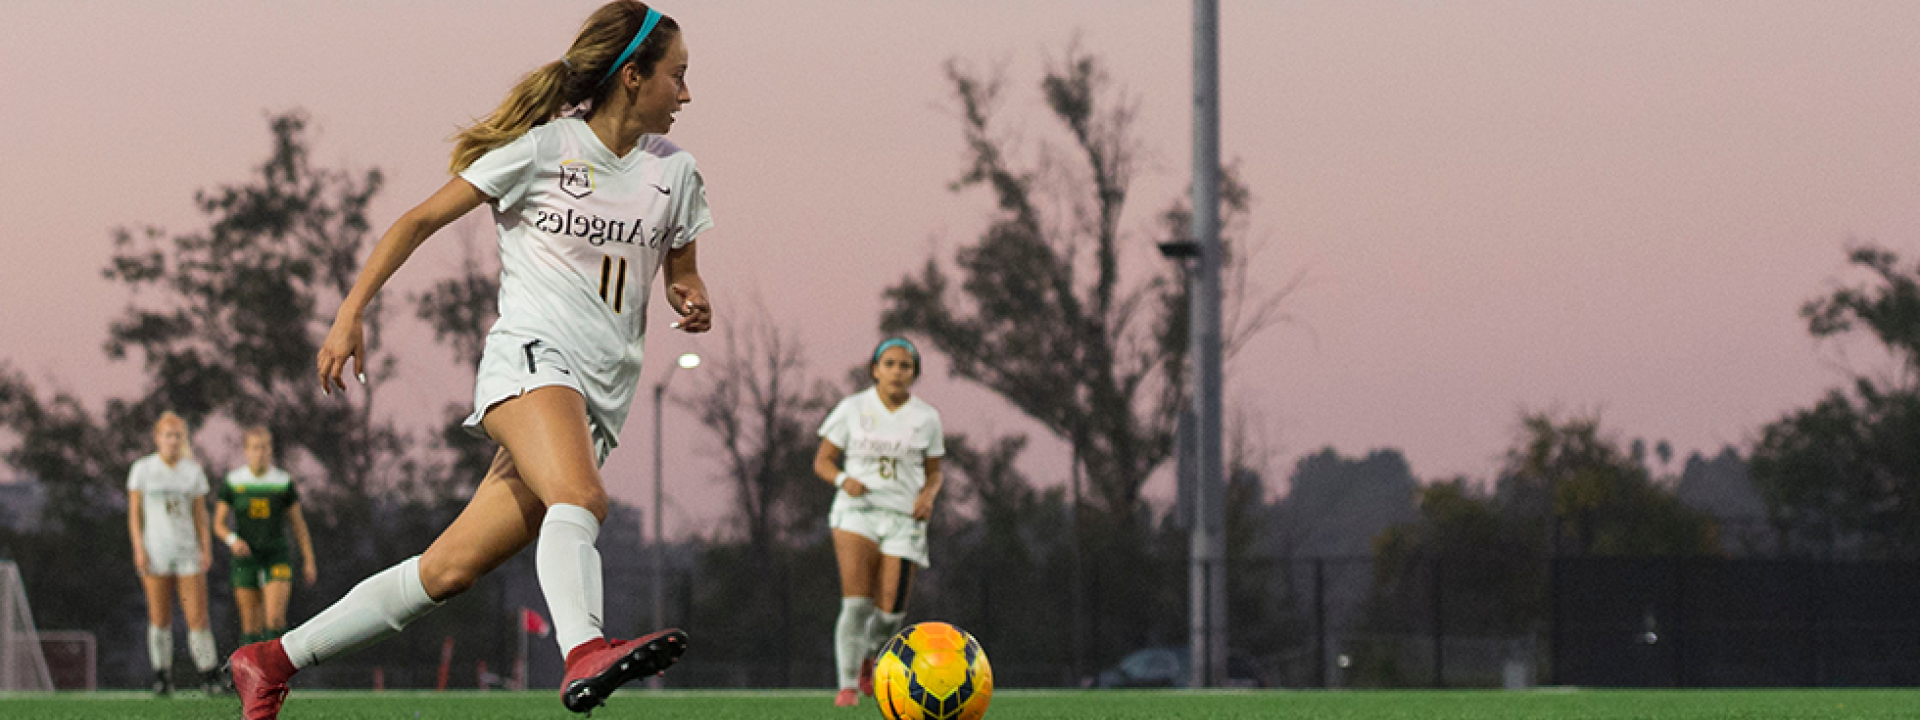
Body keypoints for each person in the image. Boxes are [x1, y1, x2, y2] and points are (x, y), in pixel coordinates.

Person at [226, 3, 710, 717]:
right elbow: (417, 219)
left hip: (601, 397)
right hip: (532, 362)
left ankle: (270, 661)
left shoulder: (677, 173)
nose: (687, 94)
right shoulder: (544, 149)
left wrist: (691, 293)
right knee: (581, 501)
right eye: (679, 76)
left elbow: (683, 269)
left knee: (446, 571)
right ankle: (584, 653)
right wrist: (349, 312)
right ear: (632, 75)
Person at [814, 338, 946, 708]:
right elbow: (823, 460)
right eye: (889, 364)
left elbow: (934, 472)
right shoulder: (852, 409)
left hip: (903, 518)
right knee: (856, 604)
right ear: (874, 369)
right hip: (857, 514)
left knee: (891, 614)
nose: (897, 372)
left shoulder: (926, 417)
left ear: (914, 374)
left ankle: (870, 656)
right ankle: (847, 687)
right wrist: (843, 480)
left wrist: (927, 496)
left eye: (905, 366)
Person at [127, 411, 224, 696]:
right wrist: (139, 548)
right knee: (159, 617)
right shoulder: (143, 470)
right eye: (168, 435)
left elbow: (200, 516)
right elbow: (134, 515)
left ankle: (209, 675)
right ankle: (162, 676)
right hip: (156, 552)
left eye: (178, 435)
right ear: (157, 438)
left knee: (197, 617)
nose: (172, 441)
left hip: (187, 553)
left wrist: (206, 548)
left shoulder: (192, 471)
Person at [213, 426, 318, 647]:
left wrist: (309, 560)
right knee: (250, 625)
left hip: (276, 556)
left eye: (265, 447)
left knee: (274, 618)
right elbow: (218, 524)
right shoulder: (234, 481)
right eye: (255, 448)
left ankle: (276, 676)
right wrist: (233, 540)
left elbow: (299, 525)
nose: (261, 452)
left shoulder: (282, 482)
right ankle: (251, 679)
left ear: (271, 450)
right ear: (246, 451)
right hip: (245, 559)